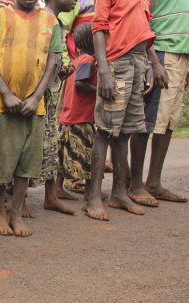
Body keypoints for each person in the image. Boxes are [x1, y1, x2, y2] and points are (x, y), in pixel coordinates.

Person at [0, 0, 61, 237]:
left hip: (33, 103)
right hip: (2, 101)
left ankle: (16, 213)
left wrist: (36, 95)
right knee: (1, 160)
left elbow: (52, 60)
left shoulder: (51, 21)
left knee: (26, 162)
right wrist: (6, 93)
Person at [85, 0, 156, 221]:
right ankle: (94, 197)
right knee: (105, 130)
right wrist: (104, 70)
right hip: (117, 62)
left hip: (138, 61)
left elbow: (143, 31)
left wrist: (150, 65)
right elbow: (98, 27)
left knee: (125, 131)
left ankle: (119, 192)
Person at [128, 0, 188, 206]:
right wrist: (153, 62)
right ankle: (135, 185)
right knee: (147, 121)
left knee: (169, 121)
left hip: (182, 54)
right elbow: (142, 17)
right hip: (160, 51)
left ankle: (153, 183)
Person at [27, 0, 76, 216]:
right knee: (30, 144)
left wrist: (60, 73)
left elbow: (52, 59)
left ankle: (51, 196)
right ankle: (18, 199)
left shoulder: (57, 22)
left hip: (50, 92)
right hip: (36, 92)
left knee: (49, 144)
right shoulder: (41, 18)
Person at [59, 23, 97, 199]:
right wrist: (101, 91)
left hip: (69, 116)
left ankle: (58, 189)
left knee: (63, 155)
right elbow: (80, 84)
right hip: (82, 117)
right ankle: (90, 192)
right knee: (89, 155)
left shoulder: (76, 61)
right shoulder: (88, 60)